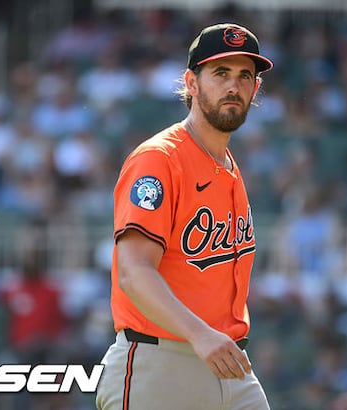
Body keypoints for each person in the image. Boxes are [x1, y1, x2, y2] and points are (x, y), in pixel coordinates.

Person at [96, 23, 273, 410]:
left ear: (255, 89)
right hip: (160, 362)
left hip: (230, 364)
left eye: (245, 76)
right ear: (191, 83)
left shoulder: (228, 166)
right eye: (220, 73)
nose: (234, 86)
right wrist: (201, 334)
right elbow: (133, 272)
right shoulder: (159, 160)